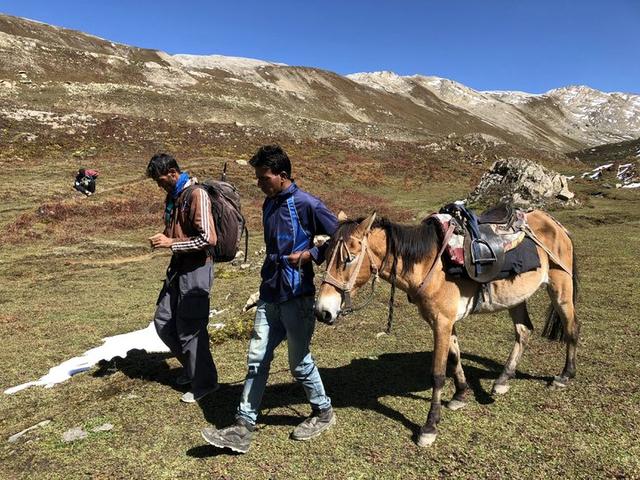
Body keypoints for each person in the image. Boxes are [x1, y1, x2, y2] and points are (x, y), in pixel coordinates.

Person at [201, 144, 338, 454]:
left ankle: (323, 412)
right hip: (270, 294)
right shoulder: (269, 204)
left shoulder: (307, 204)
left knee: (299, 364)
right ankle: (242, 426)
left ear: (282, 175)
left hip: (297, 296)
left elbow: (342, 237)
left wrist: (310, 254)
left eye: (264, 178)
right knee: (256, 360)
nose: (259, 184)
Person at [146, 153, 220, 403]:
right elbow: (175, 232)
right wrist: (165, 238)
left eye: (161, 179)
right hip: (179, 267)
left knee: (190, 328)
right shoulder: (174, 198)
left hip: (198, 268)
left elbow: (208, 239)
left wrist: (171, 243)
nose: (160, 185)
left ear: (173, 172)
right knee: (163, 320)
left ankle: (205, 383)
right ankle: (192, 369)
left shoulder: (196, 194)